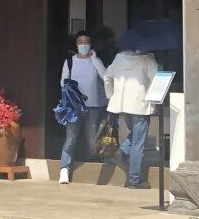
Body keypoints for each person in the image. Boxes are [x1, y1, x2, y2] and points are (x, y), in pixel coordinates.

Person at [104, 48, 159, 189]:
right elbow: (157, 81)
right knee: (138, 142)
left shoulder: (118, 58)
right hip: (140, 106)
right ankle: (135, 180)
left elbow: (107, 77)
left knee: (136, 135)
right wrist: (155, 100)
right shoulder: (147, 59)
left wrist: (111, 96)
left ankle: (122, 151)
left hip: (122, 105)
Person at [58, 31, 107, 184]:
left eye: (87, 42)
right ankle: (64, 169)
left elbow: (105, 76)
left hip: (93, 106)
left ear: (90, 45)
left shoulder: (95, 61)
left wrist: (95, 59)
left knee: (92, 140)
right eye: (81, 42)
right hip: (74, 107)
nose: (84, 45)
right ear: (76, 44)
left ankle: (92, 168)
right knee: (71, 139)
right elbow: (63, 82)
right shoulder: (70, 62)